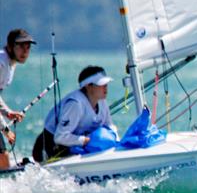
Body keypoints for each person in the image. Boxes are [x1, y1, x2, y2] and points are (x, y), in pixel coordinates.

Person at [32, 65, 116, 162]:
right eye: (101, 84)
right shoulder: (75, 104)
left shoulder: (101, 101)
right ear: (88, 86)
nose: (105, 87)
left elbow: (109, 126)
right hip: (49, 146)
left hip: (74, 145)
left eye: (106, 83)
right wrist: (86, 141)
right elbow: (60, 137)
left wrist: (115, 140)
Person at [0, 28, 36, 169]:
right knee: (3, 158)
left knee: (3, 159)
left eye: (28, 47)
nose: (25, 51)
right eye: (20, 46)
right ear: (10, 46)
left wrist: (7, 113)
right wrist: (5, 128)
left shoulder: (10, 63)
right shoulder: (2, 63)